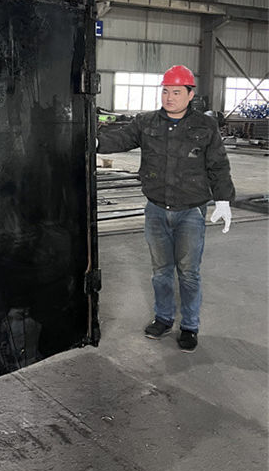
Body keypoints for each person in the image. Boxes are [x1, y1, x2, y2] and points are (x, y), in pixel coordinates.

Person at [97, 65, 235, 352]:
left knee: (188, 273)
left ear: (190, 94)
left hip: (190, 212)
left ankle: (190, 327)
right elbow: (120, 139)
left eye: (176, 92)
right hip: (157, 210)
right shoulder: (146, 122)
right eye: (165, 91)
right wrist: (95, 141)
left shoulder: (205, 126)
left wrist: (223, 199)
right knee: (161, 271)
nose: (169, 98)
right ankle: (163, 319)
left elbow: (218, 165)